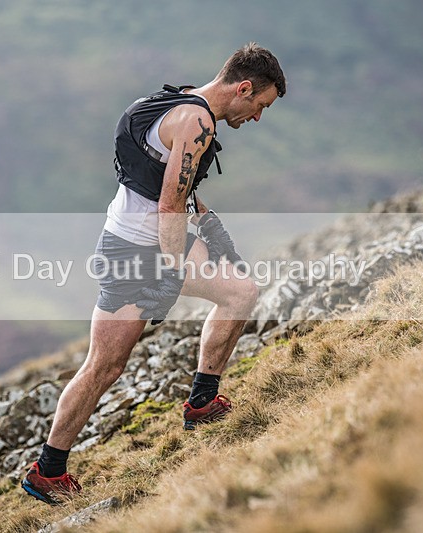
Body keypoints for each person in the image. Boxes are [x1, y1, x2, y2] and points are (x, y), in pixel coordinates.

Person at [21, 42, 286, 505]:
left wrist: (211, 227)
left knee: (239, 293)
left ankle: (201, 402)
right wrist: (170, 270)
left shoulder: (175, 99)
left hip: (137, 238)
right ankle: (49, 470)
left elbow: (170, 180)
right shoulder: (199, 123)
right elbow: (168, 203)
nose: (258, 117)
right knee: (106, 366)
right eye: (260, 105)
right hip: (137, 250)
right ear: (243, 88)